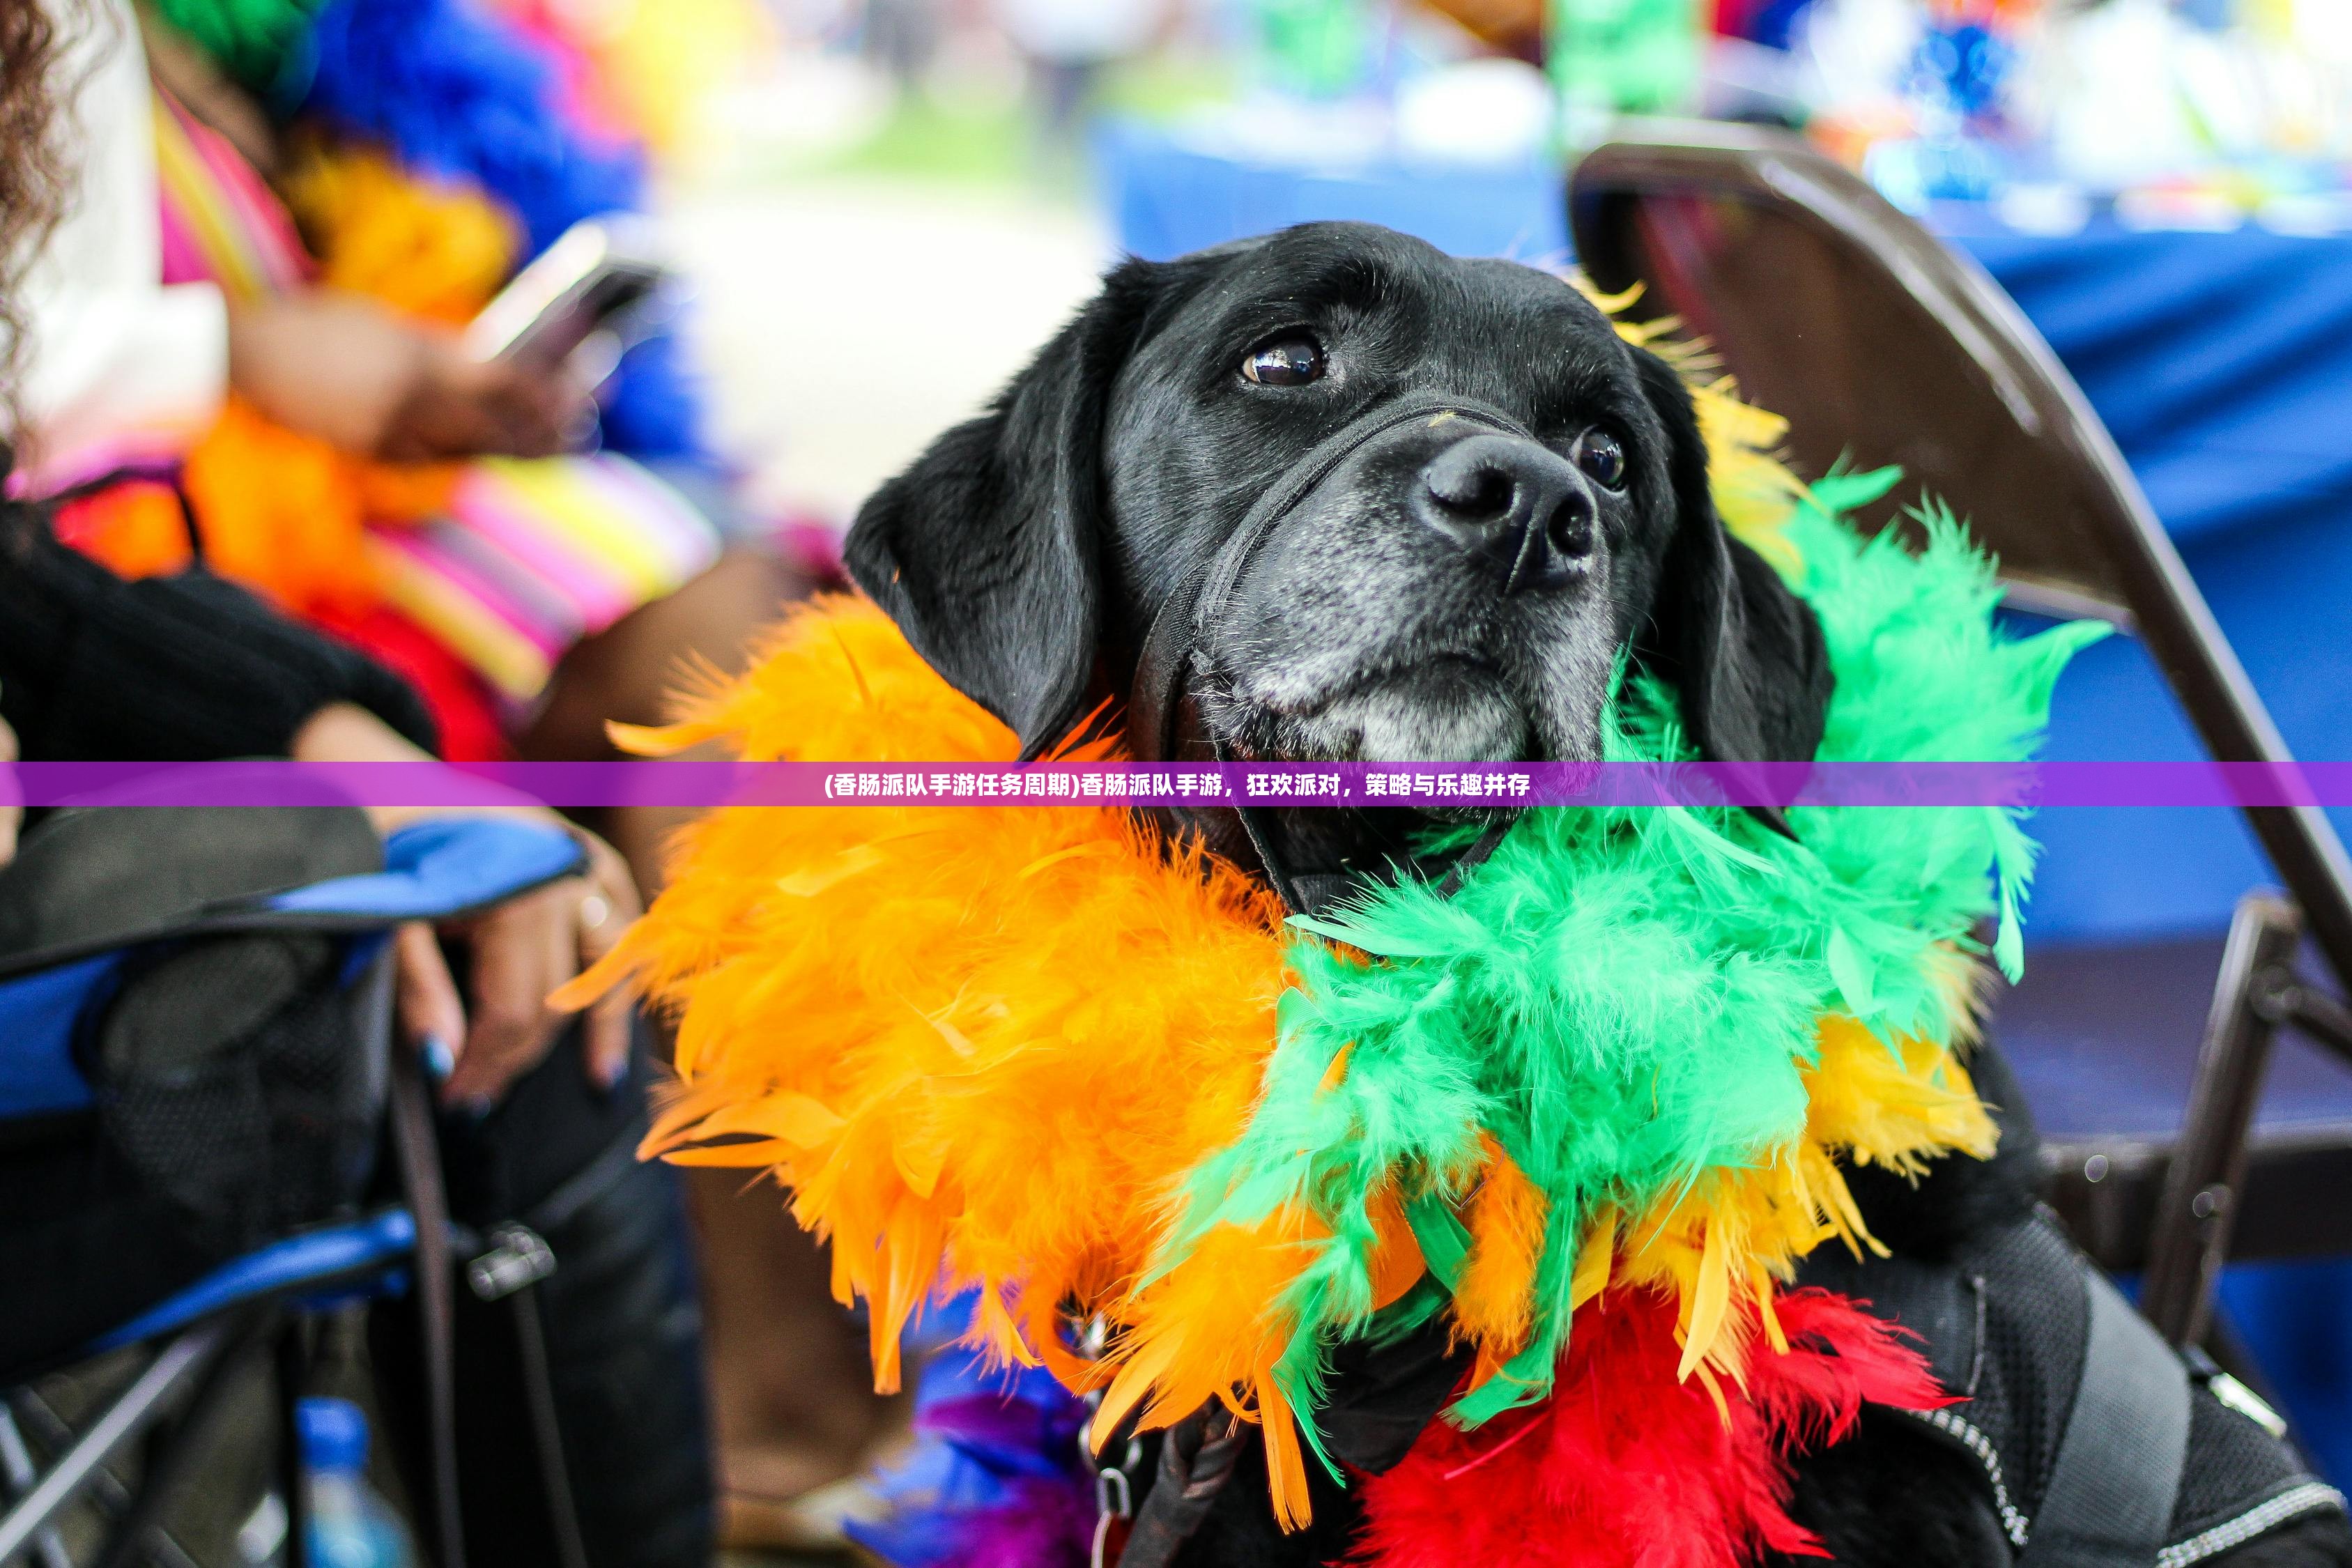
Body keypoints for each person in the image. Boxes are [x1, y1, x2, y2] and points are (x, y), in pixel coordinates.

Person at [16, 0, 794, 891]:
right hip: (118, 544)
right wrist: (238, 349)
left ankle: (702, 1019)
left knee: (746, 618)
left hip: (345, 496)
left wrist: (437, 375)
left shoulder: (302, 38)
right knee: (708, 640)